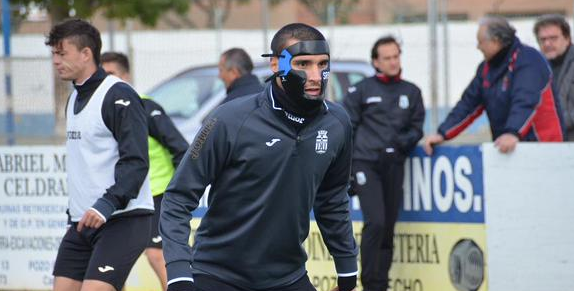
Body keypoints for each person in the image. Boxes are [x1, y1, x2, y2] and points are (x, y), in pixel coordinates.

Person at [160, 23, 358, 291]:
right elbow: (178, 198)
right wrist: (179, 274)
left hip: (287, 276)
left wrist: (347, 269)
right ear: (276, 65)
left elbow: (333, 200)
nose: (316, 75)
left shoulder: (338, 123)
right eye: (303, 64)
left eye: (323, 64)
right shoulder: (229, 119)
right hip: (217, 275)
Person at [46, 19, 153, 291]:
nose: (56, 61)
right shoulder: (74, 97)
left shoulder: (118, 95)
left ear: (85, 54)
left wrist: (106, 204)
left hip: (123, 219)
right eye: (54, 54)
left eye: (62, 53)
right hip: (83, 222)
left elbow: (137, 161)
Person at [101, 52, 190, 291]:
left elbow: (181, 149)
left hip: (156, 194)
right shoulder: (100, 110)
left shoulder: (145, 106)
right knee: (112, 260)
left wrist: (179, 191)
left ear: (126, 76)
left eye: (112, 74)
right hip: (120, 195)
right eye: (102, 75)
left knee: (156, 255)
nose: (106, 81)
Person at [343, 36, 424, 291]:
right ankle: (368, 283)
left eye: (396, 56)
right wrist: (348, 170)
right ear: (376, 62)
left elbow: (416, 128)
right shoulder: (361, 90)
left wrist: (400, 144)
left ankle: (381, 284)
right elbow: (346, 128)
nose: (393, 62)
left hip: (394, 164)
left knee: (388, 226)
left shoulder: (412, 92)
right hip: (365, 164)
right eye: (387, 58)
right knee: (375, 222)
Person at [424, 16, 565, 155]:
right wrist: (443, 133)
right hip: (506, 149)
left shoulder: (529, 60)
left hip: (543, 149)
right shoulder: (486, 69)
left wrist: (512, 132)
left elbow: (525, 101)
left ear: (496, 41)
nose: (478, 47)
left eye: (480, 42)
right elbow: (468, 104)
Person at [534, 14, 574, 141]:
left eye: (553, 38)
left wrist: (561, 120)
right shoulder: (535, 70)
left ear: (567, 38)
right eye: (542, 39)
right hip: (546, 148)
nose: (547, 43)